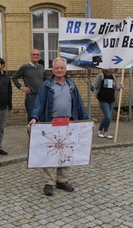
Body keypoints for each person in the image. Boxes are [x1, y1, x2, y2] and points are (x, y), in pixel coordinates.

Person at [27, 57, 88, 196]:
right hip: (51, 123)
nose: (60, 70)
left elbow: (79, 105)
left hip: (68, 123)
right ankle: (49, 182)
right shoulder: (47, 86)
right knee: (50, 153)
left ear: (65, 69)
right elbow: (39, 104)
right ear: (52, 70)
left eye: (62, 68)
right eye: (57, 68)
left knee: (66, 152)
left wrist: (86, 120)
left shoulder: (71, 85)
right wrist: (34, 118)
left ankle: (62, 180)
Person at [11, 48, 45, 121]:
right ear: (30, 56)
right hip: (31, 98)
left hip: (41, 97)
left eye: (37, 54)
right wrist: (22, 87)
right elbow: (14, 77)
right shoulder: (25, 67)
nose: (35, 56)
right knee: (32, 120)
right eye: (34, 54)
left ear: (39, 56)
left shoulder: (41, 67)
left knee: (42, 119)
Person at [89, 68, 123, 139]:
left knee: (109, 117)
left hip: (111, 99)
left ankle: (106, 132)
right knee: (107, 116)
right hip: (103, 99)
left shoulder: (113, 76)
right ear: (107, 69)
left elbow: (117, 87)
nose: (113, 68)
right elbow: (94, 86)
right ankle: (100, 130)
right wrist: (89, 83)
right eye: (112, 67)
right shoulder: (101, 76)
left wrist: (121, 87)